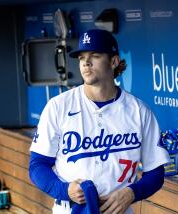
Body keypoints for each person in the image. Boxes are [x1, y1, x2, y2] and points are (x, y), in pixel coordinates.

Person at [29, 29, 170, 214]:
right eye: (81, 57)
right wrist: (65, 190)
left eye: (94, 56)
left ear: (114, 61)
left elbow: (156, 172)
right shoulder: (58, 107)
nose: (86, 63)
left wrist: (132, 193)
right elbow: (38, 165)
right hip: (68, 209)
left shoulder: (139, 111)